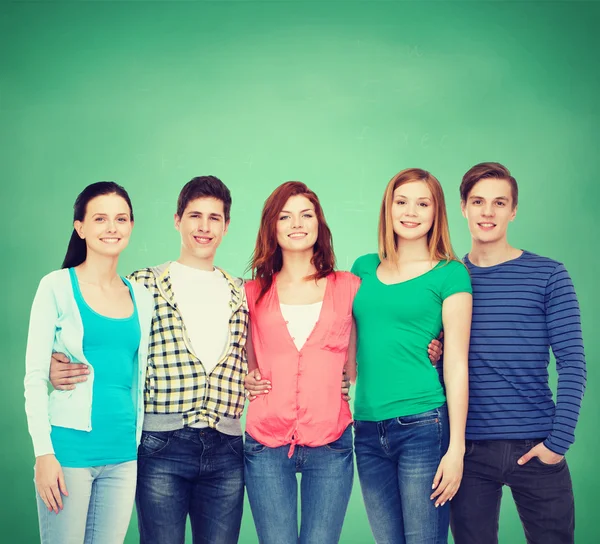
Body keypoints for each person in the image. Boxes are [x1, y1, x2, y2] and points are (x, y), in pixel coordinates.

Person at [48, 176, 248, 544]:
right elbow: (103, 334)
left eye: (214, 218)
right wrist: (53, 362)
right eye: (194, 216)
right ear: (177, 220)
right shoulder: (143, 286)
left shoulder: (242, 291)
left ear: (226, 225)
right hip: (161, 444)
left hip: (227, 448)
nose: (204, 227)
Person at [243, 181, 445, 544]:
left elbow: (390, 318)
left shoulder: (350, 285)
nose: (297, 223)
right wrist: (245, 377)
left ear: (319, 224)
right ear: (271, 226)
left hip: (331, 443)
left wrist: (434, 342)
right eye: (285, 216)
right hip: (265, 443)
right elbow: (236, 354)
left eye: (306, 215)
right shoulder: (251, 292)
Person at [449, 163, 587, 544]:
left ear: (513, 210)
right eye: (478, 201)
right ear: (463, 207)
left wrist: (558, 443)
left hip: (537, 445)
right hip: (469, 450)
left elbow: (573, 363)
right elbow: (445, 360)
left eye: (499, 202)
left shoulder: (549, 275)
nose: (487, 212)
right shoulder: (448, 278)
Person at [24, 182, 154, 544]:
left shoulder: (142, 298)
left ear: (130, 226)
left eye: (121, 218)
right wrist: (43, 455)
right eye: (100, 218)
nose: (112, 227)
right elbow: (34, 377)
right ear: (80, 227)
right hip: (68, 452)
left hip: (124, 454)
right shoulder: (56, 286)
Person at [350, 168, 472, 544]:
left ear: (437, 213)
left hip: (423, 425)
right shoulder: (363, 268)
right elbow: (344, 347)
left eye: (423, 203)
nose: (411, 211)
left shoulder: (451, 274)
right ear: (388, 208)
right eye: (401, 202)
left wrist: (456, 449)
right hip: (367, 429)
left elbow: (455, 364)